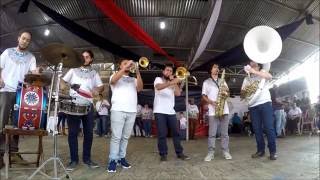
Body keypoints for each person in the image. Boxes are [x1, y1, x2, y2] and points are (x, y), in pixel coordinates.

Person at [60, 50, 104, 171]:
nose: (84, 58)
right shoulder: (73, 69)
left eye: (87, 57)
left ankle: (87, 158)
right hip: (73, 104)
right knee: (73, 133)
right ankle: (74, 160)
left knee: (89, 133)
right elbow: (63, 81)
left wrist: (97, 90)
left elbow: (101, 86)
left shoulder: (94, 73)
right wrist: (63, 86)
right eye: (83, 57)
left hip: (88, 105)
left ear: (91, 59)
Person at [0, 31, 38, 168]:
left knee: (18, 124)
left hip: (21, 93)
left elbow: (33, 74)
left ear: (29, 42)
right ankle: (0, 155)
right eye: (23, 38)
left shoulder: (31, 57)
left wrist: (37, 74)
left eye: (28, 40)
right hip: (5, 91)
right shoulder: (7, 52)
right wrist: (0, 79)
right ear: (18, 39)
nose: (25, 41)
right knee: (1, 123)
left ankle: (14, 154)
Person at [107, 59, 143, 173]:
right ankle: (113, 160)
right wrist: (125, 67)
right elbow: (113, 81)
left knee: (125, 137)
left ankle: (121, 158)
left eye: (129, 64)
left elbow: (140, 88)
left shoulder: (133, 79)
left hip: (132, 111)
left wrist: (137, 72)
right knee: (116, 137)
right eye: (124, 63)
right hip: (118, 110)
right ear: (120, 66)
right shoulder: (114, 75)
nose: (128, 65)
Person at [241, 61, 277, 160]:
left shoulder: (263, 73)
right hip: (253, 106)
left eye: (254, 64)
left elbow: (270, 77)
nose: (251, 65)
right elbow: (243, 94)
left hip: (265, 104)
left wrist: (254, 71)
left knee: (269, 128)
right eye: (250, 64)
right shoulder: (247, 79)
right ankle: (260, 150)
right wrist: (246, 90)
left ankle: (273, 151)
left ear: (258, 65)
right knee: (257, 130)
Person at [153, 64, 190, 161]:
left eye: (170, 71)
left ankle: (179, 153)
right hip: (159, 111)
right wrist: (171, 82)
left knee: (176, 133)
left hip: (171, 111)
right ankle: (163, 154)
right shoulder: (158, 79)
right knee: (162, 134)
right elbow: (158, 87)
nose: (169, 72)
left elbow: (178, 93)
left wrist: (175, 83)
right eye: (167, 70)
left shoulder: (172, 83)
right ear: (163, 72)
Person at [202, 64, 232, 161]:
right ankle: (211, 153)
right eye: (215, 67)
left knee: (225, 133)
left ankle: (225, 151)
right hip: (213, 110)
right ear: (210, 70)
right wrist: (211, 102)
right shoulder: (206, 82)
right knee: (212, 134)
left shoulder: (222, 81)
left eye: (218, 68)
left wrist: (226, 92)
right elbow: (203, 96)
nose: (217, 69)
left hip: (224, 109)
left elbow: (228, 93)